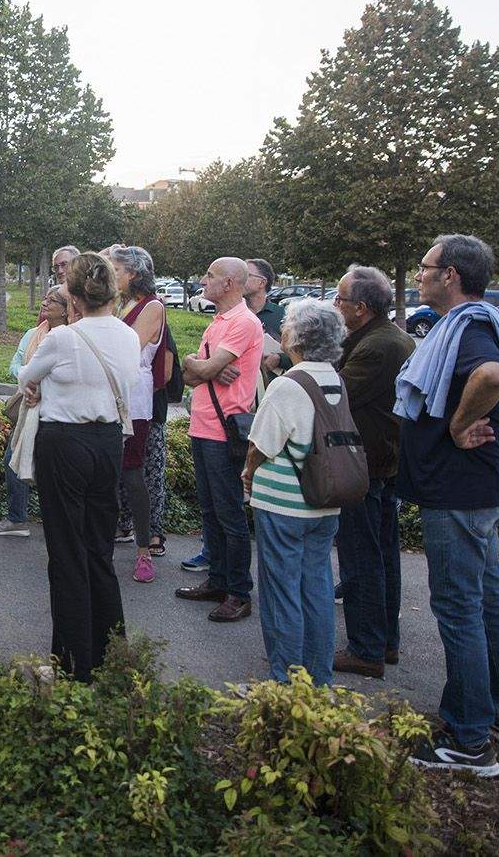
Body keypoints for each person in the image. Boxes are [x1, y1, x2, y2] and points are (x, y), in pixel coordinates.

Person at [400, 234, 499, 777]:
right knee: (488, 602)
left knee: (459, 608)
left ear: (451, 275)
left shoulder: (470, 329)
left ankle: (468, 738)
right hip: (478, 487)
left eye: (426, 266)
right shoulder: (479, 324)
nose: (419, 274)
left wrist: (458, 426)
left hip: (459, 490)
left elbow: (492, 375)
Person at [18, 252, 141, 680]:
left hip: (64, 443)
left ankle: (72, 663)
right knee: (99, 551)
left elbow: (26, 377)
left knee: (67, 554)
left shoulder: (63, 338)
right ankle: (111, 655)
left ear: (72, 295)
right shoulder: (128, 336)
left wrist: (39, 388)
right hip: (108, 441)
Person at [240, 299, 349, 685]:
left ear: (298, 337)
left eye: (287, 326)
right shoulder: (335, 379)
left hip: (284, 502)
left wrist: (248, 473)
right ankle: (318, 679)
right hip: (324, 500)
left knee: (281, 592)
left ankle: (284, 681)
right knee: (316, 588)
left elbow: (261, 445)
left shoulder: (289, 384)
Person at [331, 265, 415, 679]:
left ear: (361, 307)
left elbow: (335, 396)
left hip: (365, 466)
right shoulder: (388, 336)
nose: (336, 305)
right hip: (382, 462)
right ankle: (385, 642)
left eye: (340, 299)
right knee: (382, 556)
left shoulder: (377, 347)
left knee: (362, 558)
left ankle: (366, 649)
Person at [175, 257, 263, 622]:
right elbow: (188, 375)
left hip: (223, 431)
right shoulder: (219, 321)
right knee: (211, 510)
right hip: (203, 426)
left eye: (210, 275)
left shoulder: (243, 322)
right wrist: (198, 364)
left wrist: (204, 367)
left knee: (229, 513)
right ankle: (218, 580)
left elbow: (205, 369)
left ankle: (239, 592)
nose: (203, 280)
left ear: (228, 283)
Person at [0, 286, 69, 537]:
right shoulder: (33, 334)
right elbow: (16, 364)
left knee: (51, 467)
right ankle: (17, 518)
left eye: (51, 300)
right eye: (44, 298)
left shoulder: (69, 337)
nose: (44, 303)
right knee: (13, 458)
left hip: (54, 410)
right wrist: (30, 378)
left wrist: (35, 376)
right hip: (28, 405)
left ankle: (57, 523)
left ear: (66, 310)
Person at [105, 245, 166, 583]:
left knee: (132, 473)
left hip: (135, 399)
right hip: (114, 394)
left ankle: (144, 551)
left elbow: (128, 348)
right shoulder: (122, 305)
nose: (111, 276)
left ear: (133, 273)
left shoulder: (152, 306)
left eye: (115, 270)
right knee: (111, 473)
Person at [245, 257, 287, 375]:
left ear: (262, 283)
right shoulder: (231, 314)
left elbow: (301, 355)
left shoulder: (283, 315)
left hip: (272, 383)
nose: (239, 279)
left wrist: (280, 359)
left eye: (246, 275)